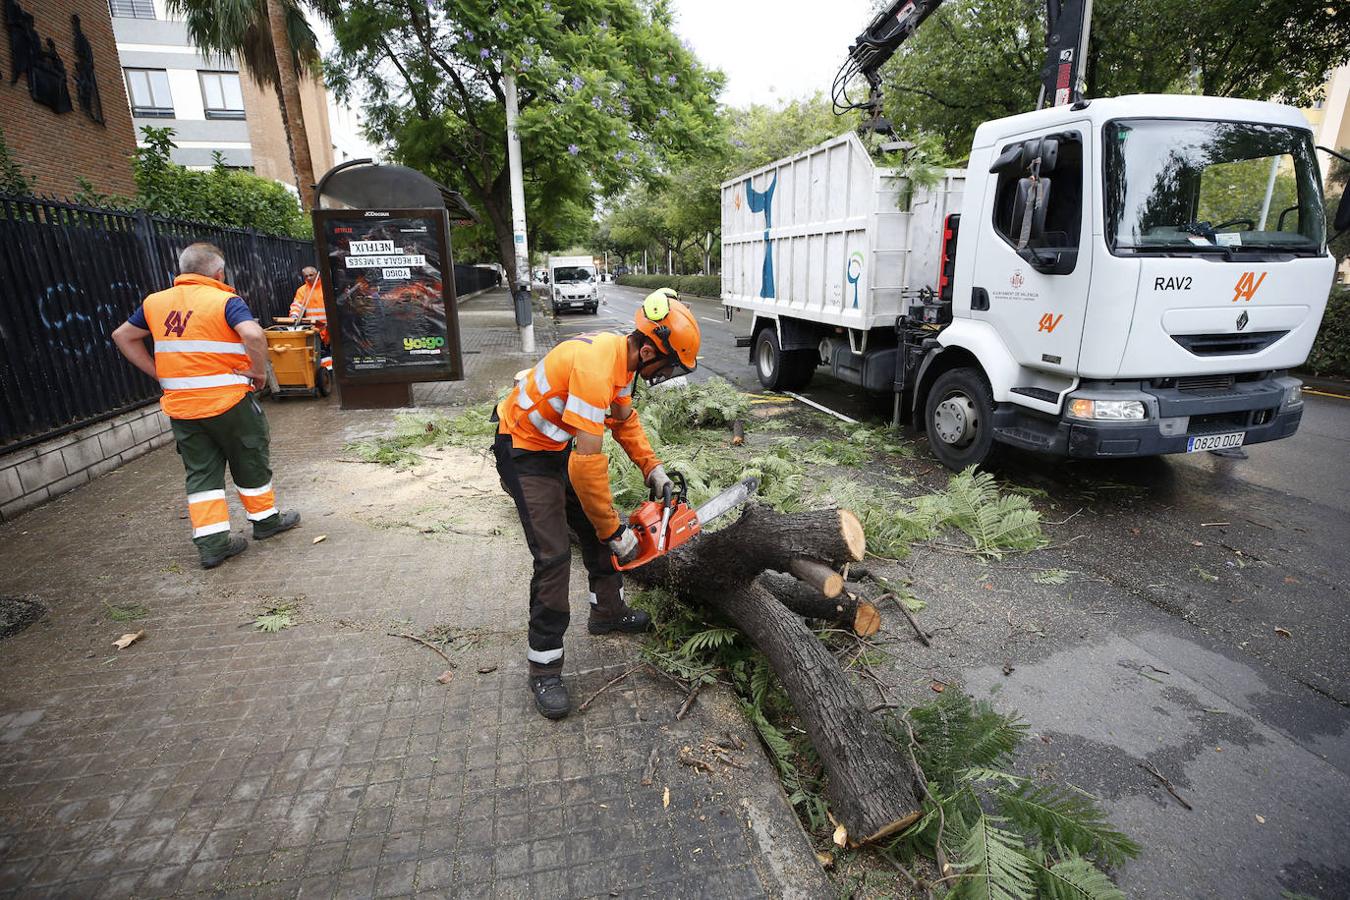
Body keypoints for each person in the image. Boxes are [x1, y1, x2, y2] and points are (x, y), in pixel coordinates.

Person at [493, 288, 701, 719]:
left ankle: (607, 611)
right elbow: (587, 468)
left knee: (593, 528)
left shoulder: (623, 364)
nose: (666, 372)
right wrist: (615, 531)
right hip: (522, 450)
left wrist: (653, 470)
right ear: (647, 350)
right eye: (666, 363)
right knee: (553, 556)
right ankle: (544, 668)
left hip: (554, 446)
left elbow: (625, 422)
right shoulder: (595, 369)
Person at [111, 242, 300, 569]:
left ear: (182, 271)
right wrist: (257, 372)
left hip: (183, 407)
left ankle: (212, 545)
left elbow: (122, 336)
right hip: (229, 403)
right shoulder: (225, 300)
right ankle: (266, 523)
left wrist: (160, 374)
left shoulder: (155, 303)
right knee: (249, 458)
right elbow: (253, 335)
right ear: (218, 272)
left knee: (201, 474)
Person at [289, 265, 331, 370]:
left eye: (311, 275)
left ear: (316, 274)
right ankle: (327, 374)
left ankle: (331, 373)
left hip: (329, 327)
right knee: (320, 354)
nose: (309, 278)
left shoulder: (326, 288)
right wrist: (294, 315)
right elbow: (297, 305)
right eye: (306, 276)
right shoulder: (303, 290)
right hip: (315, 328)